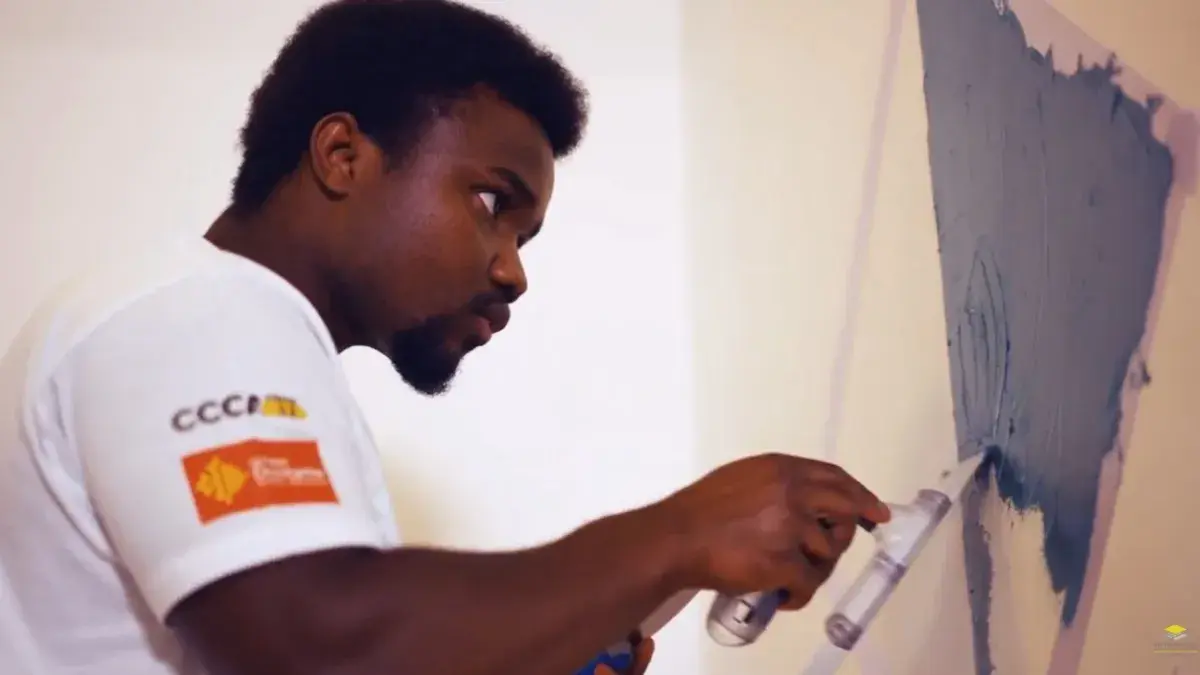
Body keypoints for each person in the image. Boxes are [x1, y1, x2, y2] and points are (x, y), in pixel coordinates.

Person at [0, 1, 890, 674]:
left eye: (525, 239)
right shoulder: (198, 309)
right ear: (342, 156)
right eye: (493, 203)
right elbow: (321, 643)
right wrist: (677, 533)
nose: (512, 271)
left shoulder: (218, 325)